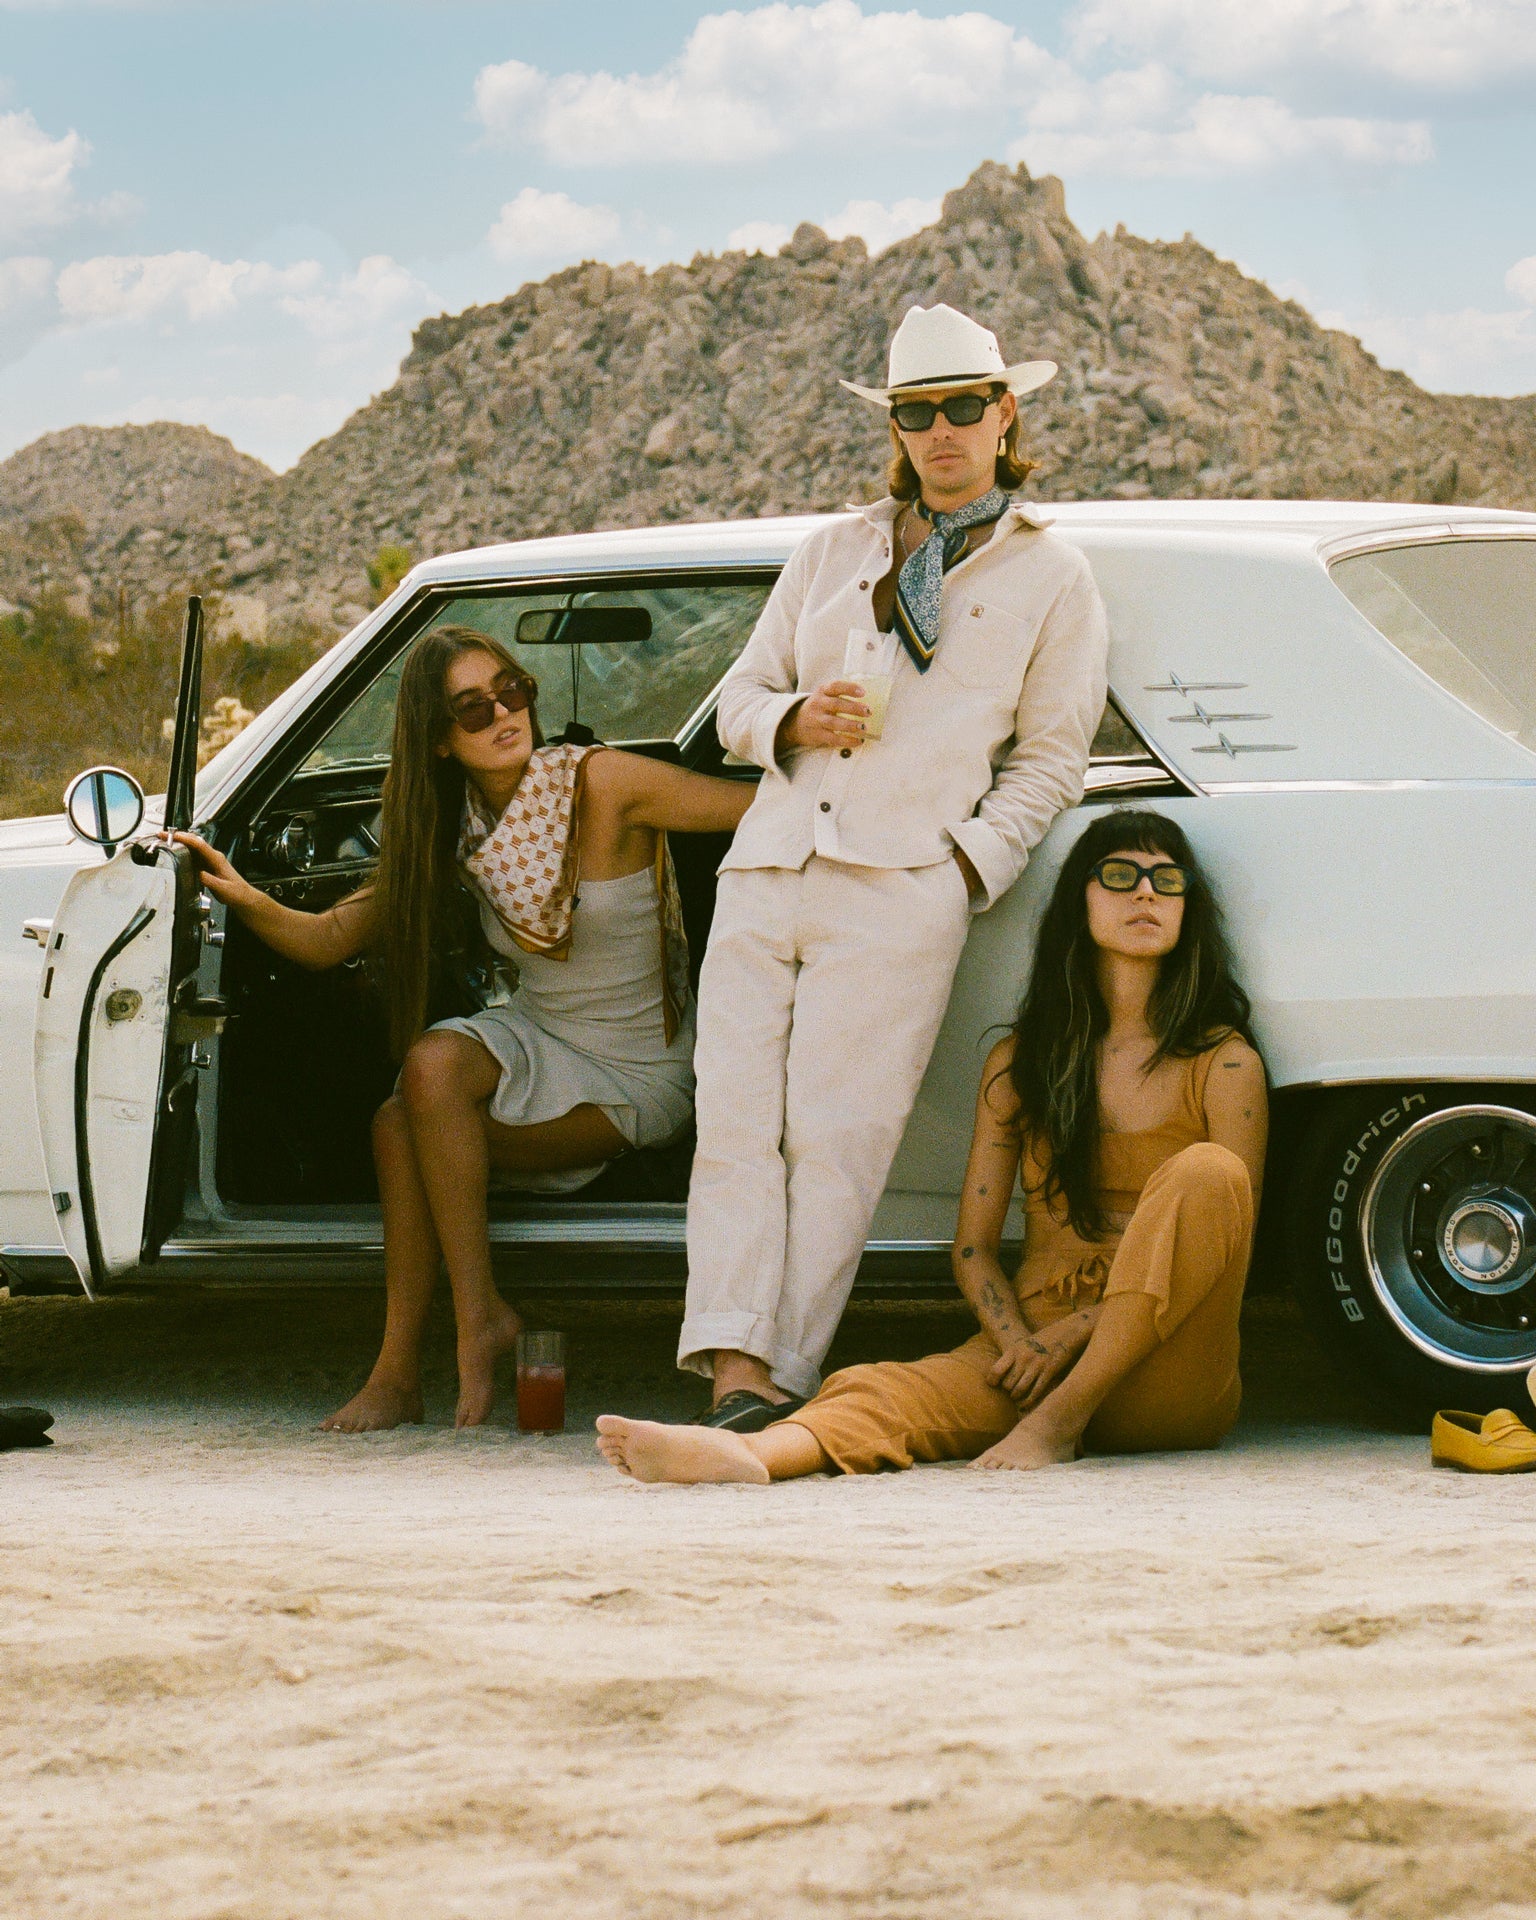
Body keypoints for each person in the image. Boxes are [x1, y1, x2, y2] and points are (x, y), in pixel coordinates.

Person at [674, 301, 1110, 1431]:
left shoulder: (1051, 577)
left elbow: (1053, 759)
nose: (943, 431)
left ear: (1007, 413)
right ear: (899, 427)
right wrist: (794, 719)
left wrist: (961, 871)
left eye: (966, 407)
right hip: (771, 863)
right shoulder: (835, 551)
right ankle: (728, 1360)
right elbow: (734, 705)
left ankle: (780, 1379)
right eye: (919, 413)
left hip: (903, 887)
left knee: (838, 1134)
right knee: (731, 1119)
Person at [177, 625, 753, 1431]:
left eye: (512, 690)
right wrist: (235, 892)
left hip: (635, 1069)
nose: (503, 714)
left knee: (400, 1129)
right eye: (472, 708)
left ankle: (420, 1356)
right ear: (439, 741)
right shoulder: (456, 835)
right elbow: (327, 940)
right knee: (427, 1072)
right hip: (540, 1031)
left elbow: (758, 807)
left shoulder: (605, 783)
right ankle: (449, 1335)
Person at [596, 809, 1268, 1483]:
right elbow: (973, 1248)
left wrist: (1067, 1339)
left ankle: (1055, 1428)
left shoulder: (1225, 1065)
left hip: (1168, 1367)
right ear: (1079, 902)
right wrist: (1016, 1343)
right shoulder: (1022, 1064)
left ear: (1188, 908)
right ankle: (749, 1456)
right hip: (1027, 1352)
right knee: (881, 1390)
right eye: (1120, 875)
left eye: (1166, 879)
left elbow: (1226, 1237)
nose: (1146, 892)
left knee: (1209, 1174)